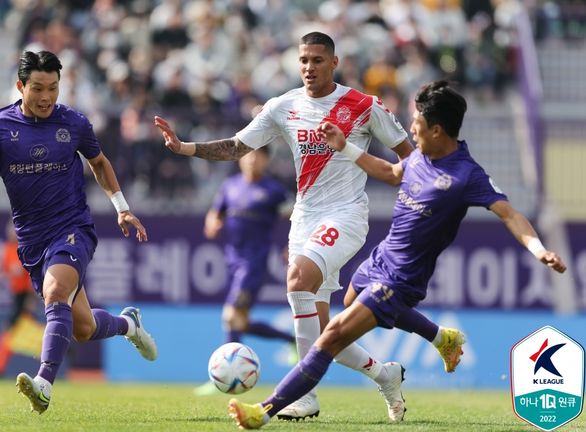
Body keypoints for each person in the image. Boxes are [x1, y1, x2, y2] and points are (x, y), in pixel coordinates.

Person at [155, 32, 463, 421]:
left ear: (334, 63)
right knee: (323, 333)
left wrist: (426, 201)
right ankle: (386, 375)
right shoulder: (284, 106)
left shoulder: (363, 105)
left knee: (298, 279)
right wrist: (185, 148)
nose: (309, 67)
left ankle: (306, 397)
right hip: (304, 220)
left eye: (317, 60)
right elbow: (237, 146)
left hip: (347, 215)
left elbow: (410, 156)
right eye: (303, 60)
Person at [227, 80, 568, 429]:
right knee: (345, 309)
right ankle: (440, 338)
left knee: (329, 337)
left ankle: (264, 411)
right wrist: (345, 147)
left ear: (437, 129)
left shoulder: (467, 175)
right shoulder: (421, 155)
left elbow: (510, 213)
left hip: (400, 280)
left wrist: (539, 250)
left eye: (416, 124)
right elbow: (390, 173)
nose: (410, 131)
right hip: (379, 260)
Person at [0, 50, 157, 414]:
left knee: (55, 292)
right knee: (82, 327)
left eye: (53, 87)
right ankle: (130, 325)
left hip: (72, 228)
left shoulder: (74, 123)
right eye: (38, 88)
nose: (47, 96)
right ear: (21, 86)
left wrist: (122, 207)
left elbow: (98, 162)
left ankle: (44, 384)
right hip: (31, 240)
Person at [195, 146, 296, 396]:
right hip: (232, 260)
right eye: (247, 155)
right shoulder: (230, 186)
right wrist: (212, 223)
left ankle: (228, 372)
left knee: (230, 316)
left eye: (258, 155)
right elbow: (214, 213)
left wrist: (291, 245)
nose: (251, 159)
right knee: (239, 321)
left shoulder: (273, 191)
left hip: (254, 262)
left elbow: (295, 217)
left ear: (265, 160)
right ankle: (291, 339)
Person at [0, 219, 39, 376]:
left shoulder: (25, 248)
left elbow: (32, 275)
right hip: (16, 296)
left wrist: (31, 299)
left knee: (12, 330)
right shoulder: (7, 249)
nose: (11, 231)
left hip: (25, 296)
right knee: (17, 330)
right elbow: (5, 271)